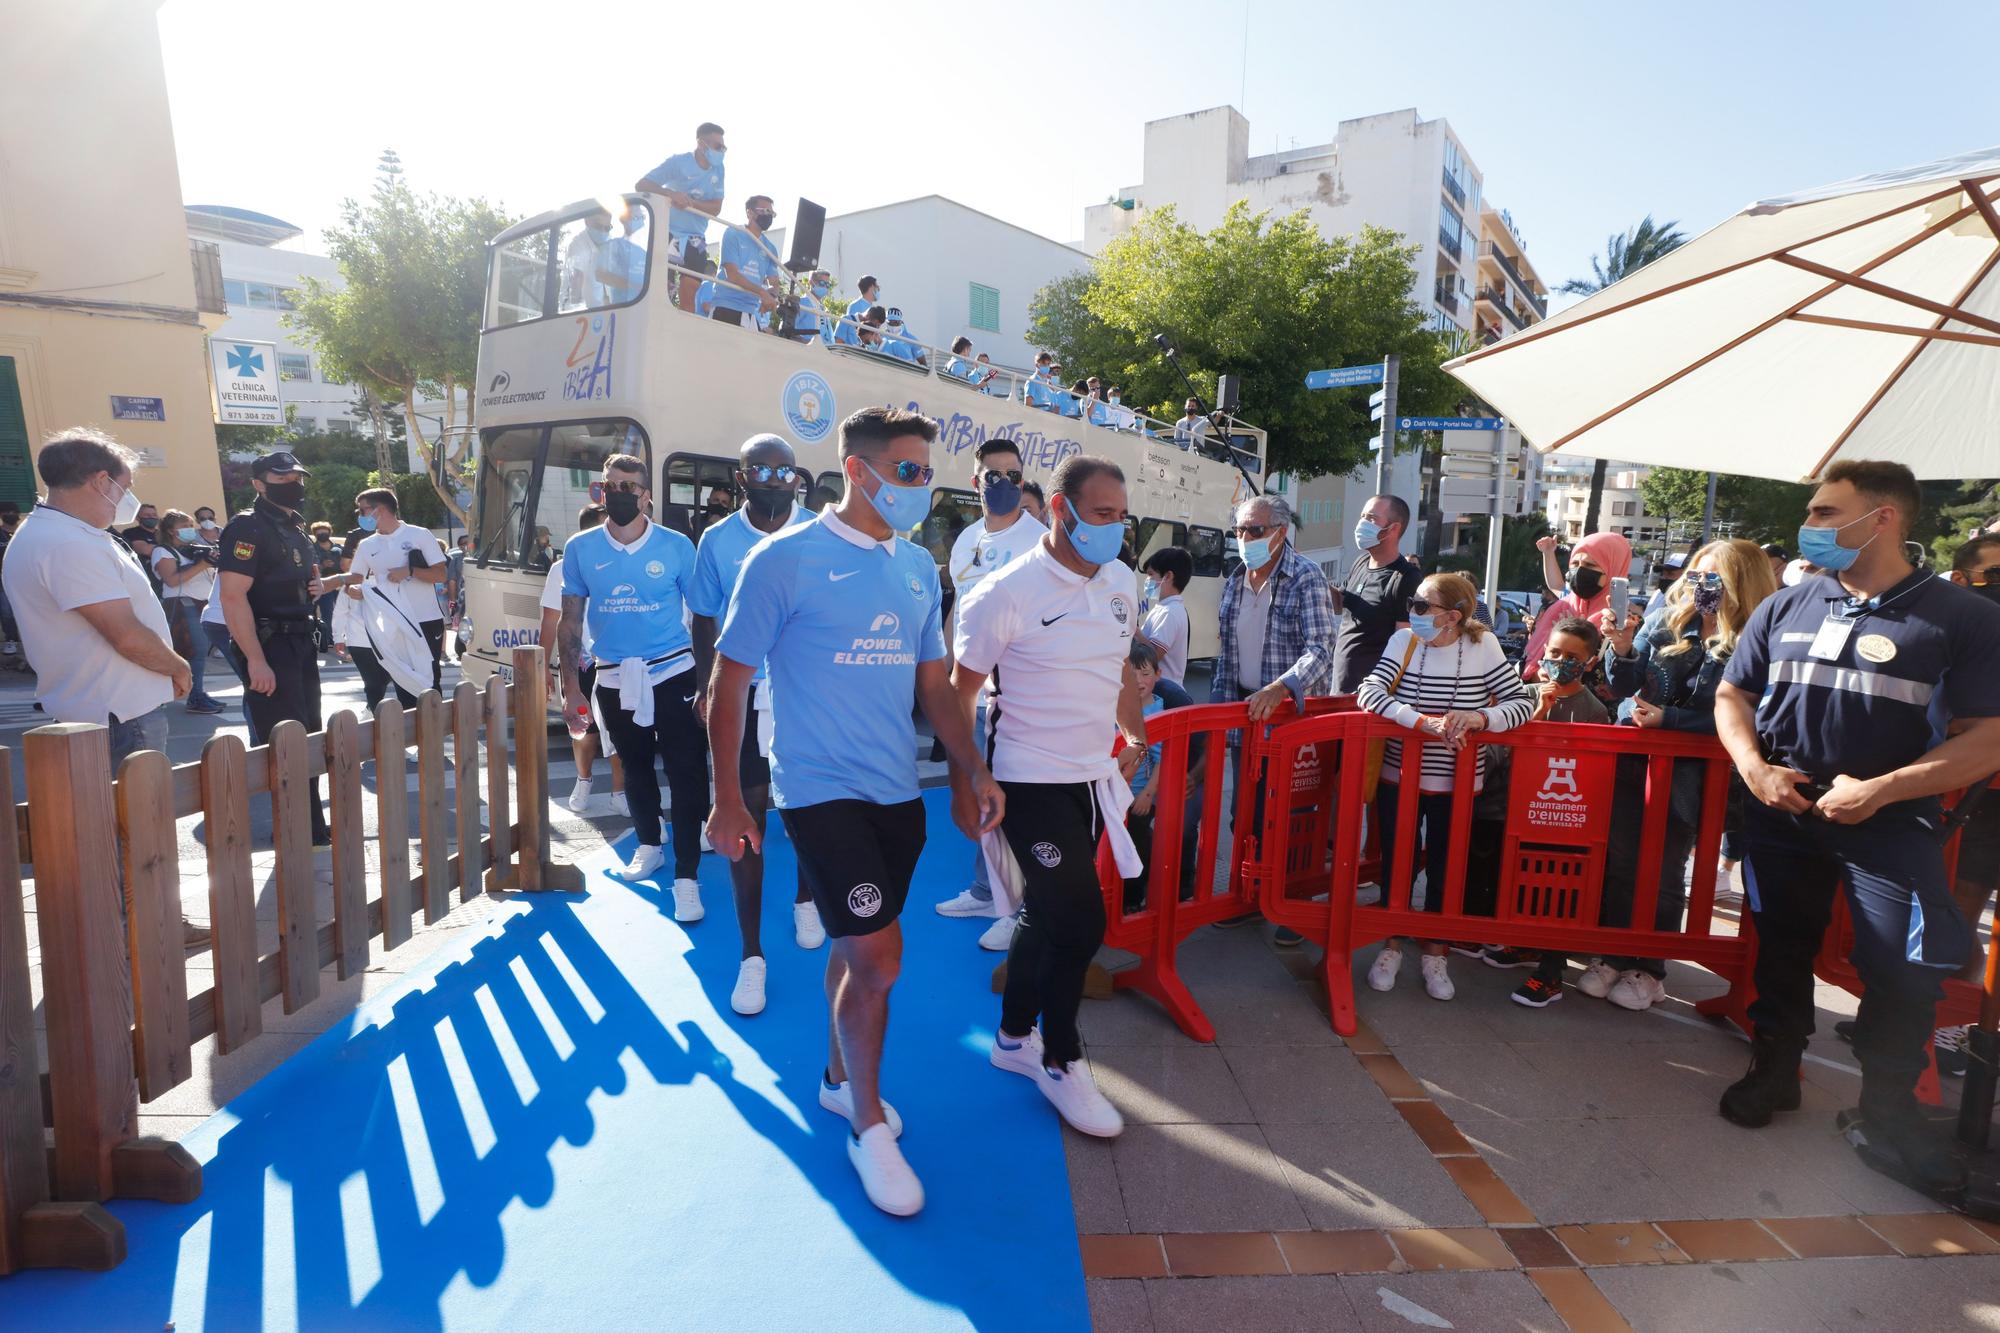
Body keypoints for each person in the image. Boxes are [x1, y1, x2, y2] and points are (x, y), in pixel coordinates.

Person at [707, 406, 1001, 1218]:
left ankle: (838, 1081)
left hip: (896, 795)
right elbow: (726, 683)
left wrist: (970, 771)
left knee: (852, 942)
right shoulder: (784, 560)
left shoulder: (915, 567)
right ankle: (867, 1122)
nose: (921, 487)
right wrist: (729, 797)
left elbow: (935, 687)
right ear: (857, 469)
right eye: (909, 471)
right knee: (878, 960)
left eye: (927, 475)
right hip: (816, 789)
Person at [1712, 460, 2000, 1197]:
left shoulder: (1963, 617)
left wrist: (1883, 789)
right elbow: (1731, 693)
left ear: (1883, 518)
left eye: (1823, 510)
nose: (1809, 526)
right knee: (1781, 941)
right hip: (1784, 808)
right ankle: (1774, 1068)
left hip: (1893, 821)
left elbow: (1987, 737)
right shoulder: (1788, 604)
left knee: (1901, 969)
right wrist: (1754, 768)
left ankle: (1887, 1108)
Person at [954, 452, 1146, 1142]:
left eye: (1122, 516)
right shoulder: (1005, 591)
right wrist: (970, 778)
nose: (1115, 529)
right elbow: (960, 694)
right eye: (1102, 514)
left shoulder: (1122, 580)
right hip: (1024, 780)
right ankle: (1060, 1058)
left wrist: (1134, 729)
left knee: (1046, 908)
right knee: (1080, 919)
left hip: (1089, 778)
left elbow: (1119, 657)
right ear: (1060, 510)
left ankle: (1011, 1037)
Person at [2, 429, 204, 946]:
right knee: (135, 830)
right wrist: (180, 667)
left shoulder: (64, 534)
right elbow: (122, 633)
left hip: (113, 705)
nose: (129, 498)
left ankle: (141, 923)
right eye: (125, 484)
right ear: (99, 481)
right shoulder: (64, 542)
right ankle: (143, 929)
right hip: (118, 710)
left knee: (127, 828)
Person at [1563, 538, 1777, 1012]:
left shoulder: (1757, 637)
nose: (1700, 586)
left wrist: (1671, 722)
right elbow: (1620, 686)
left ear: (1740, 584)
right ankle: (1613, 955)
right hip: (1634, 762)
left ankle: (1649, 966)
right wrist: (1621, 648)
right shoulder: (1664, 620)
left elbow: (1751, 715)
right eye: (1696, 575)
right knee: (1620, 862)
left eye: (1713, 578)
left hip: (1694, 777)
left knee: (1661, 869)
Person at [689, 433, 821, 1015]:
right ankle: (751, 955)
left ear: (798, 477)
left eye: (783, 469)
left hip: (809, 697)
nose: (773, 478)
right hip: (743, 696)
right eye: (760, 470)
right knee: (746, 817)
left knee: (811, 809)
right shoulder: (717, 541)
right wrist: (705, 686)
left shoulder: (822, 530)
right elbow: (704, 618)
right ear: (740, 478)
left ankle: (806, 898)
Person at [1358, 572, 1534, 999]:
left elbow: (1523, 701)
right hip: (1398, 774)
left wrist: (1480, 718)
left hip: (1458, 780)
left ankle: (1436, 952)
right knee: (1396, 862)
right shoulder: (1404, 642)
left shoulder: (1483, 644)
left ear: (1452, 616)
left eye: (1422, 607)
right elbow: (1369, 691)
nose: (1413, 612)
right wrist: (1422, 723)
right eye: (1412, 605)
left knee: (1446, 866)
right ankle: (1392, 944)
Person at [558, 453, 710, 917]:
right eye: (612, 486)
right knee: (634, 766)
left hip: (673, 671)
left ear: (646, 495)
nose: (620, 495)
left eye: (630, 487)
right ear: (600, 491)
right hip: (614, 675)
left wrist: (708, 682)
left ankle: (688, 871)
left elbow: (704, 618)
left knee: (686, 771)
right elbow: (570, 623)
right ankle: (650, 844)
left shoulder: (678, 546)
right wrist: (570, 689)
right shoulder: (581, 548)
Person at [934, 439, 1048, 945]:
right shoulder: (966, 542)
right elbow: (960, 611)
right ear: (975, 481)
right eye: (993, 476)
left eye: (1014, 476)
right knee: (980, 798)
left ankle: (1017, 906)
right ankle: (987, 891)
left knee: (1014, 802)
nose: (1004, 484)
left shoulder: (1040, 540)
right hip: (971, 692)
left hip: (1019, 698)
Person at [218, 450, 341, 843]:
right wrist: (255, 660)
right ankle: (293, 827)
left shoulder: (295, 528)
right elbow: (233, 597)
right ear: (258, 484)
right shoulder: (248, 529)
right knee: (284, 740)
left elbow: (297, 578)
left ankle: (311, 825)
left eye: (296, 478)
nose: (293, 485)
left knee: (308, 735)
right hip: (270, 646)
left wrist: (316, 587)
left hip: (300, 641)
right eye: (281, 478)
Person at [1508, 616, 1614, 1006]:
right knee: (1524, 883)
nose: (1560, 661)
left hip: (1567, 817)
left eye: (1572, 656)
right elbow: (1505, 747)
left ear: (1588, 662)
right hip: (1523, 809)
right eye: (1554, 652)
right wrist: (1537, 712)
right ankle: (1527, 946)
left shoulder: (1594, 709)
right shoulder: (1525, 693)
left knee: (1559, 891)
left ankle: (1551, 973)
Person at [1212, 494, 1335, 717]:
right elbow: (1227, 654)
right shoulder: (1235, 581)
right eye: (1240, 530)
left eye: (1256, 530)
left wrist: (1280, 688)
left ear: (1281, 532)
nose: (1246, 538)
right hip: (1242, 712)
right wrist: (1217, 703)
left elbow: (1320, 650)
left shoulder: (1306, 577)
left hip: (1288, 714)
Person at [539, 504, 626, 817]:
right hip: (579, 661)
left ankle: (620, 792)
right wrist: (542, 666)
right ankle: (584, 781)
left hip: (616, 658)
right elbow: (551, 619)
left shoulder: (621, 561)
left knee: (619, 728)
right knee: (581, 726)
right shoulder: (561, 568)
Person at [344, 488, 449, 706]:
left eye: (363, 510)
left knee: (430, 681)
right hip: (393, 624)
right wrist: (350, 589)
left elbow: (440, 574)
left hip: (426, 620)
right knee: (404, 681)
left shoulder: (419, 535)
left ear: (380, 510)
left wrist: (410, 571)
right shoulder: (366, 544)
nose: (360, 516)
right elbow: (355, 579)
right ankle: (414, 735)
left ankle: (433, 734)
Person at [1331, 494, 1421, 694]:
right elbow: (1340, 604)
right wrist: (1313, 575)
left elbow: (1404, 645)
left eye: (1371, 519)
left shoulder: (1406, 578)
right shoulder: (1361, 562)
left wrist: (1378, 690)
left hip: (1370, 697)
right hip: (1340, 687)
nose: (1362, 523)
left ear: (1394, 528)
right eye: (1363, 516)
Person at [636, 121, 726, 311]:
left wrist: (691, 203)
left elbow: (716, 208)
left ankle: (682, 335)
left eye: (724, 147)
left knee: (691, 289)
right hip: (668, 232)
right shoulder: (678, 162)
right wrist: (671, 194)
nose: (723, 151)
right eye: (718, 146)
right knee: (663, 289)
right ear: (702, 144)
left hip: (696, 237)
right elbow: (642, 185)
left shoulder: (719, 169)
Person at [1521, 530, 1632, 682]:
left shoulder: (1625, 623)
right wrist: (1538, 675)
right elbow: (1530, 661)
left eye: (1589, 565)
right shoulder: (1558, 609)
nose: (1579, 571)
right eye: (1574, 564)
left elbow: (1625, 681)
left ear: (1613, 567)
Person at [151, 509, 224, 714]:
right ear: (170, 531)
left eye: (190, 526)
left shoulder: (194, 549)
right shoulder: (163, 551)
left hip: (201, 604)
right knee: (196, 652)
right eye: (183, 527)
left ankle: (197, 692)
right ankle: (195, 696)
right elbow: (172, 580)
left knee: (197, 653)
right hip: (182, 605)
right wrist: (202, 564)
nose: (189, 530)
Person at [714, 197, 781, 329]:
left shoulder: (770, 247)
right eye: (766, 211)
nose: (769, 216)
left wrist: (771, 295)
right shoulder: (733, 233)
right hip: (726, 306)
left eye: (772, 214)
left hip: (751, 312)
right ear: (749, 213)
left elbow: (775, 283)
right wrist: (762, 293)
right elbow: (732, 275)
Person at [1137, 545, 1192, 687]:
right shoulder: (1165, 608)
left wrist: (1133, 630)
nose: (1147, 580)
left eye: (1150, 575)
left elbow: (1153, 657)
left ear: (1168, 576)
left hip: (1165, 690)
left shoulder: (1170, 612)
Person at [309, 522, 343, 649]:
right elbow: (311, 567)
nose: (322, 535)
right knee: (327, 612)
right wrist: (322, 565)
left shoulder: (338, 548)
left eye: (325, 532)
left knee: (342, 611)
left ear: (329, 532)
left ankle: (342, 638)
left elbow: (347, 564)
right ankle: (329, 639)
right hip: (324, 584)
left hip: (341, 583)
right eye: (319, 533)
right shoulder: (312, 549)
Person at [1644, 551, 1686, 619]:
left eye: (1670, 574)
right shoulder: (1659, 593)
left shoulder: (1690, 602)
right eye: (1663, 573)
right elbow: (1647, 618)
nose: (1664, 577)